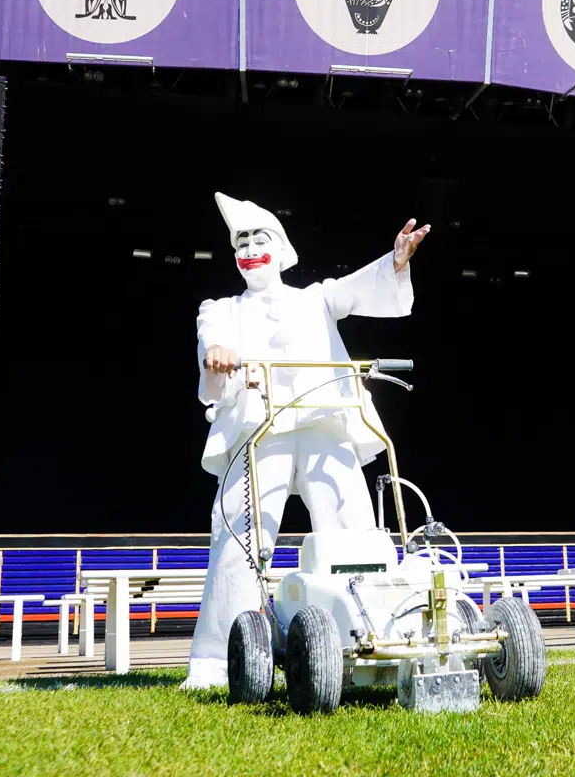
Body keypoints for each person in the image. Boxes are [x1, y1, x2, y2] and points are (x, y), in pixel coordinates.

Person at [181, 192, 429, 689]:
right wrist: (219, 353)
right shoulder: (223, 308)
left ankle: (375, 647)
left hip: (323, 420)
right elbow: (212, 337)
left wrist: (396, 260)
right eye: (241, 242)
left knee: (353, 532)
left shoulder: (315, 298)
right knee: (238, 541)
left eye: (259, 239)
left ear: (281, 247)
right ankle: (217, 663)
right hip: (259, 429)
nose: (250, 249)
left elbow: (359, 290)